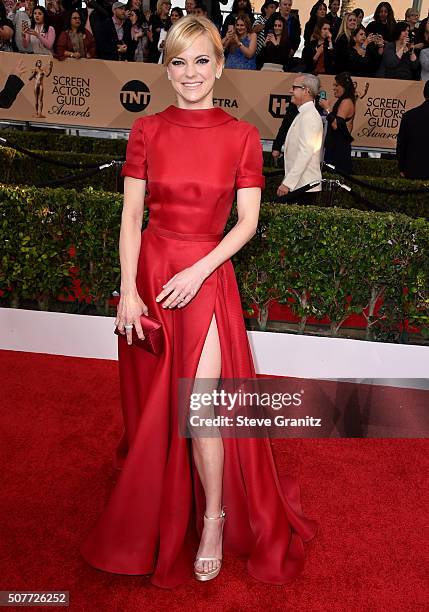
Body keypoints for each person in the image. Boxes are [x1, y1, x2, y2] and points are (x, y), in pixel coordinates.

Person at [80, 14, 318, 588]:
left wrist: (200, 270)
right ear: (167, 68)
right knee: (154, 409)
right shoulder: (147, 130)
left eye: (201, 60)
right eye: (178, 61)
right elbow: (131, 217)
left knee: (201, 406)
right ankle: (166, 498)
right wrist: (129, 291)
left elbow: (248, 224)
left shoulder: (240, 136)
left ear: (219, 65)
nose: (190, 73)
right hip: (151, 279)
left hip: (205, 278)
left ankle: (213, 519)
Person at [276, 73, 323, 203]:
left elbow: (305, 153)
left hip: (304, 187)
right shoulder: (304, 113)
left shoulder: (310, 116)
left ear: (306, 91)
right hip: (300, 185)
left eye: (294, 87)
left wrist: (287, 183)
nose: (290, 90)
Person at [319, 71, 356, 174]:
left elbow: (336, 126)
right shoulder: (342, 101)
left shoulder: (346, 102)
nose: (334, 88)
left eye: (336, 85)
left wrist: (327, 109)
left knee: (337, 177)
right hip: (335, 146)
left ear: (344, 87)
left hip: (339, 149)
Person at [397, 80, 429, 180]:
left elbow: (401, 145)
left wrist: (401, 168)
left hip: (413, 171)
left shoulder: (409, 116)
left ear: (424, 93)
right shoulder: (408, 116)